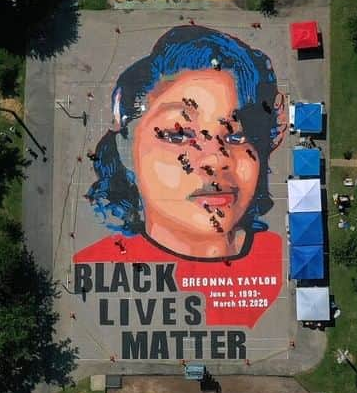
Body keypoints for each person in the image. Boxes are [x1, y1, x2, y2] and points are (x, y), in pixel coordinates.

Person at [79, 25, 286, 262]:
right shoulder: (92, 260)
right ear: (125, 148)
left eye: (236, 136)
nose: (216, 159)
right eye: (178, 135)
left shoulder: (286, 257)